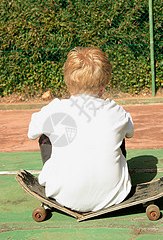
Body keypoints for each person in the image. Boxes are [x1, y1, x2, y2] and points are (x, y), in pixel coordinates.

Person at [28, 47, 134, 212]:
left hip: (65, 197)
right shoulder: (116, 111)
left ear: (68, 84)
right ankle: (107, 179)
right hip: (115, 196)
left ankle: (58, 178)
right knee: (119, 134)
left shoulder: (55, 109)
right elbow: (130, 132)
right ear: (104, 85)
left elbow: (31, 132)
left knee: (45, 133)